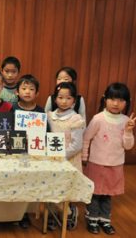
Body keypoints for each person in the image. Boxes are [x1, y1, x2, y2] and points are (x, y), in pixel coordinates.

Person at [82, 82, 135, 235]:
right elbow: (86, 138)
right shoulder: (98, 118)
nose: (116, 103)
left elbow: (128, 146)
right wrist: (85, 157)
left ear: (127, 102)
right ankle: (92, 219)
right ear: (105, 99)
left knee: (107, 194)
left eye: (121, 100)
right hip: (96, 163)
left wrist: (128, 131)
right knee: (95, 193)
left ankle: (105, 220)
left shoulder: (126, 121)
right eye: (112, 99)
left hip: (115, 165)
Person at [47, 82, 86, 231]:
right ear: (55, 99)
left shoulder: (76, 119)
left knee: (64, 188)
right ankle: (52, 214)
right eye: (60, 97)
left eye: (68, 98)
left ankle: (69, 211)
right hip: (52, 159)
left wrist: (60, 155)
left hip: (68, 159)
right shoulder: (49, 116)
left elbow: (77, 145)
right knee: (51, 185)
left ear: (74, 101)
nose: (64, 101)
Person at [10, 74, 44, 229]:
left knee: (29, 182)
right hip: (16, 152)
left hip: (34, 153)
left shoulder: (41, 111)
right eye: (23, 88)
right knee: (15, 180)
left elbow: (46, 133)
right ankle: (11, 213)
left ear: (37, 93)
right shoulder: (12, 109)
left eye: (31, 89)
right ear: (17, 92)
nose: (27, 92)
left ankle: (24, 214)